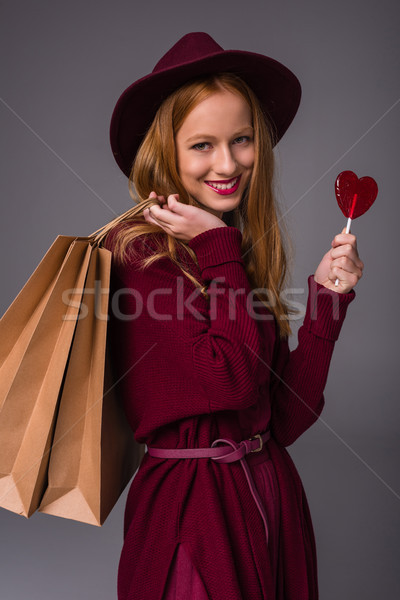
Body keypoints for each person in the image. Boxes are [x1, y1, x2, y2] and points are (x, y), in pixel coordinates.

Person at [101, 32, 364, 600]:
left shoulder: (231, 249)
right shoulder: (141, 251)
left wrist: (326, 301)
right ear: (164, 150)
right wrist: (220, 248)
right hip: (193, 511)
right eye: (202, 145)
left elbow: (282, 422)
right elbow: (231, 379)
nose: (228, 163)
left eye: (241, 139)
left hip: (269, 495)